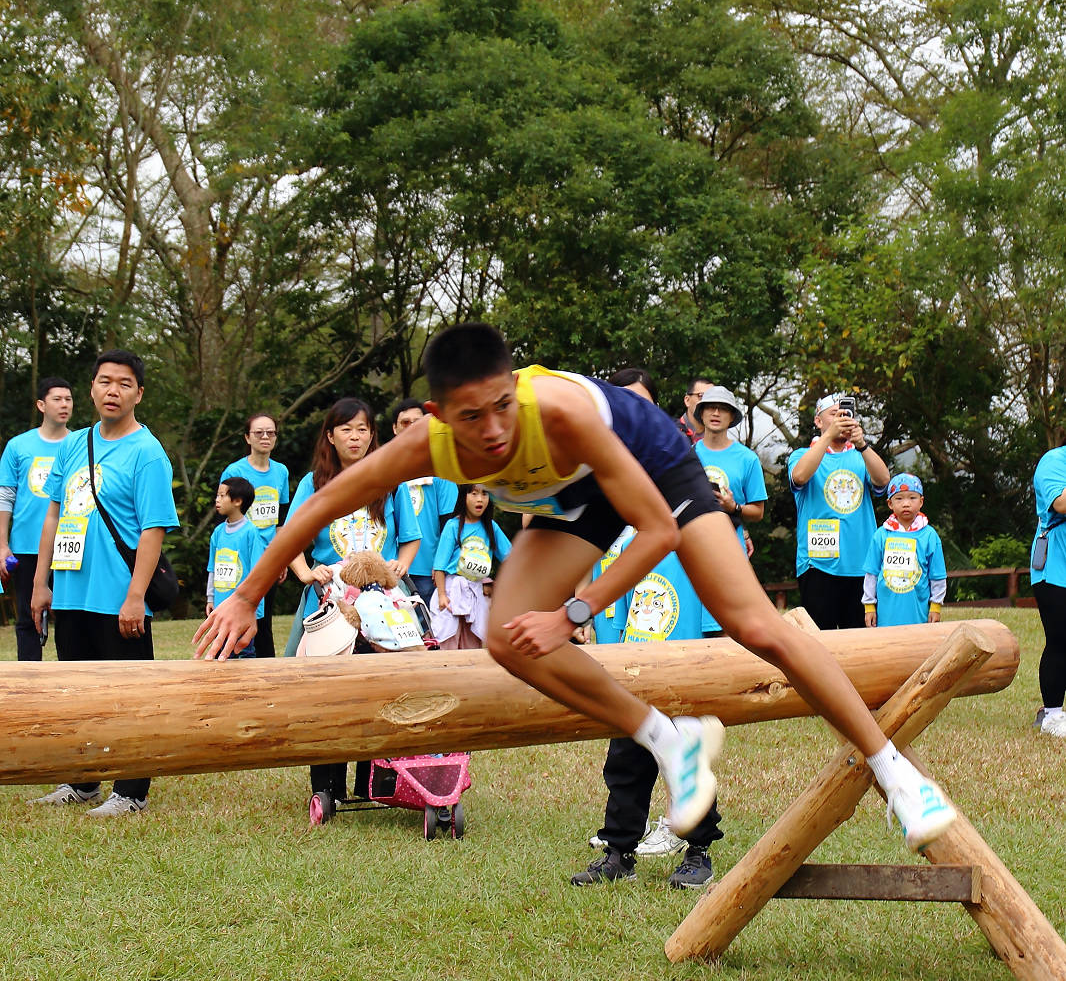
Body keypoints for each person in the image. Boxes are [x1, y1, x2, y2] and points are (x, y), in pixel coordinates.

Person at [195, 324, 957, 852]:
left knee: (754, 625)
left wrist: (575, 612)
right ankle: (669, 737)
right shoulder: (423, 446)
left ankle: (896, 773)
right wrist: (242, 595)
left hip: (653, 473)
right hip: (565, 505)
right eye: (471, 416)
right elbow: (323, 504)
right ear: (436, 417)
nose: (492, 429)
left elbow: (655, 529)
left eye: (502, 406)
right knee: (502, 639)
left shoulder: (556, 413)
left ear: (515, 391)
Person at [31, 350, 180, 815]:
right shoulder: (76, 443)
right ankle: (82, 781)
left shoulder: (147, 452)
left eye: (124, 383)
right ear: (91, 389)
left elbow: (153, 528)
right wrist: (41, 583)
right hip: (72, 589)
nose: (112, 390)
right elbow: (54, 512)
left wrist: (135, 597)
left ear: (139, 393)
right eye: (104, 381)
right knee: (78, 693)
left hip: (118, 595)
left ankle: (132, 791)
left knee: (128, 696)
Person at [285, 396, 421, 810]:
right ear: (330, 435)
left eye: (363, 428)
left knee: (382, 690)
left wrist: (401, 564)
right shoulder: (314, 483)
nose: (356, 436)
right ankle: (326, 786)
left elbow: (410, 538)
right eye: (346, 429)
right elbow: (290, 537)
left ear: (373, 435)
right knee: (328, 693)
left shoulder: (390, 481)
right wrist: (307, 572)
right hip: (330, 603)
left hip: (384, 604)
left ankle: (374, 784)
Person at [573, 546, 725, 889]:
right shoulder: (632, 548)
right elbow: (617, 611)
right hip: (635, 676)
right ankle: (619, 853)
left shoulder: (700, 549)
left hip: (687, 671)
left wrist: (711, 672)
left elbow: (716, 620)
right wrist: (612, 666)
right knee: (625, 765)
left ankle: (698, 851)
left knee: (689, 762)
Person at [788, 394, 890, 629]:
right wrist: (828, 438)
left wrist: (862, 444)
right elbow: (800, 476)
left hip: (861, 566)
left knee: (859, 644)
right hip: (817, 564)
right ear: (818, 421)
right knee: (819, 642)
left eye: (845, 414)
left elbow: (883, 480)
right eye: (834, 415)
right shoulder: (801, 455)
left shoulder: (860, 456)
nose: (840, 419)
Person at [0, 377, 74, 660]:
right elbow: (5, 497)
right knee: (27, 618)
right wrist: (2, 544)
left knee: (69, 618)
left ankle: (72, 676)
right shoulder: (18, 446)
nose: (64, 404)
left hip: (70, 545)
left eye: (68, 399)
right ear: (41, 405)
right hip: (27, 546)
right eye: (57, 399)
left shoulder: (80, 444)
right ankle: (29, 680)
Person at [692, 385, 767, 637]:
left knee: (730, 627)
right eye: (710, 407)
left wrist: (733, 507)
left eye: (723, 409)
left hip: (730, 549)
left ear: (732, 417)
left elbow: (758, 512)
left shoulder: (747, 459)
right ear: (700, 414)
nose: (715, 413)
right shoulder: (687, 455)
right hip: (692, 548)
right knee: (692, 623)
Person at [220, 412, 290, 658]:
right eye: (258, 432)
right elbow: (226, 515)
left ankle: (267, 671)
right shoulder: (234, 470)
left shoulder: (281, 472)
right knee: (238, 614)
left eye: (270, 432)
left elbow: (280, 520)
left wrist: (282, 557)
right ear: (247, 438)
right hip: (242, 556)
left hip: (269, 556)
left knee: (264, 618)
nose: (265, 437)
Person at [390, 398, 458, 607]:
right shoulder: (385, 468)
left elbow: (450, 523)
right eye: (405, 423)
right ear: (394, 428)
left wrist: (441, 563)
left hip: (427, 569)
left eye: (417, 422)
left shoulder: (441, 468)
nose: (411, 427)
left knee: (428, 633)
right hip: (388, 565)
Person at [431, 484, 511, 649]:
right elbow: (439, 566)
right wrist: (442, 595)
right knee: (447, 640)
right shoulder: (453, 526)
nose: (480, 499)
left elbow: (511, 557)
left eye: (484, 494)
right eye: (474, 494)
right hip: (451, 591)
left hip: (476, 592)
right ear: (463, 497)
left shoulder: (491, 527)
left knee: (473, 641)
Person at [863, 475, 946, 629]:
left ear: (921, 501)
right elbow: (871, 573)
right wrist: (869, 606)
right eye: (899, 499)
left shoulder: (929, 536)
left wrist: (936, 606)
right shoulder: (881, 535)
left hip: (918, 613)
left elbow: (938, 575)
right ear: (890, 503)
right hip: (886, 614)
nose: (906, 504)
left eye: (912, 498)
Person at [205, 476, 265, 657]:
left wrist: (255, 607)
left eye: (222, 496)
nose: (217, 500)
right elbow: (212, 569)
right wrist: (210, 598)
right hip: (221, 608)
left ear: (238, 501)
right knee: (221, 652)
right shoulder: (217, 533)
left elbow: (259, 573)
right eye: (217, 495)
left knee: (243, 652)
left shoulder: (251, 532)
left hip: (242, 610)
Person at [1029, 443, 1066, 738]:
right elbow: (1061, 504)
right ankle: (1052, 715)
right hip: (1055, 566)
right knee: (1060, 639)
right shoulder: (1053, 461)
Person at [678, 376, 711, 443]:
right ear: (687, 400)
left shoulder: (718, 437)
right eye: (701, 396)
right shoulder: (671, 433)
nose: (707, 402)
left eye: (712, 398)